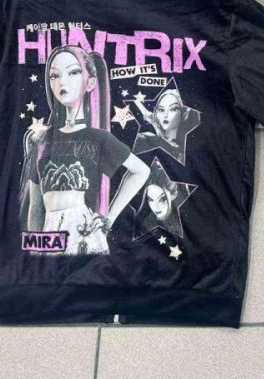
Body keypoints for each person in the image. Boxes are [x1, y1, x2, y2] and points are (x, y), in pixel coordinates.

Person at [19, 46, 150, 255]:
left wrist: (108, 218)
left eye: (73, 72)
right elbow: (36, 208)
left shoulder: (99, 138)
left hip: (82, 230)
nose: (62, 82)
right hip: (49, 233)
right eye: (54, 76)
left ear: (90, 83)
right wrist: (34, 256)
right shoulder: (42, 140)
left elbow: (141, 171)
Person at [132, 86, 202, 165]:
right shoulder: (147, 136)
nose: (165, 115)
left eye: (173, 109)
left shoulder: (187, 146)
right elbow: (148, 115)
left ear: (185, 114)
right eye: (161, 110)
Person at [133, 159, 187, 240]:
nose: (156, 206)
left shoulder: (184, 222)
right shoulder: (146, 225)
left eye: (162, 199)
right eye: (150, 199)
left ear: (174, 195)